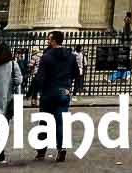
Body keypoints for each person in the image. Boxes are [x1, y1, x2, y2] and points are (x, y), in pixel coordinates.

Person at [27, 31, 83, 163]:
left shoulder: (46, 56)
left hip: (48, 93)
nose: (47, 41)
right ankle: (62, 149)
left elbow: (39, 77)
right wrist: (69, 88)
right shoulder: (71, 56)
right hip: (64, 92)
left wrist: (35, 94)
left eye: (49, 39)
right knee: (60, 123)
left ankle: (41, 152)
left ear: (54, 41)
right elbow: (76, 73)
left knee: (44, 122)